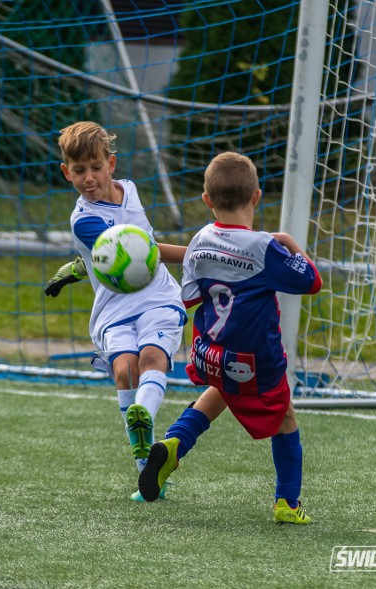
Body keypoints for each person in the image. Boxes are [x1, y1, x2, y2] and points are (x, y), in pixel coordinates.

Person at [137, 152, 322, 525]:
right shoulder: (265, 247)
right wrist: (287, 242)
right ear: (256, 196)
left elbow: (190, 299)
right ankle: (287, 502)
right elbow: (312, 282)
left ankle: (173, 445)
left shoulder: (200, 239)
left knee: (223, 388)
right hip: (256, 360)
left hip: (208, 354)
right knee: (285, 418)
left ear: (207, 201)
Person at [51, 121, 187, 500]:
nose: (88, 178)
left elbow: (147, 248)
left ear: (111, 164)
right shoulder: (84, 221)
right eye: (78, 171)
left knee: (152, 357)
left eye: (95, 167)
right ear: (67, 173)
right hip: (114, 307)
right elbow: (136, 253)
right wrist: (201, 255)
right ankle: (147, 468)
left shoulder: (131, 191)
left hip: (157, 296)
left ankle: (142, 414)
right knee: (124, 369)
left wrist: (202, 256)